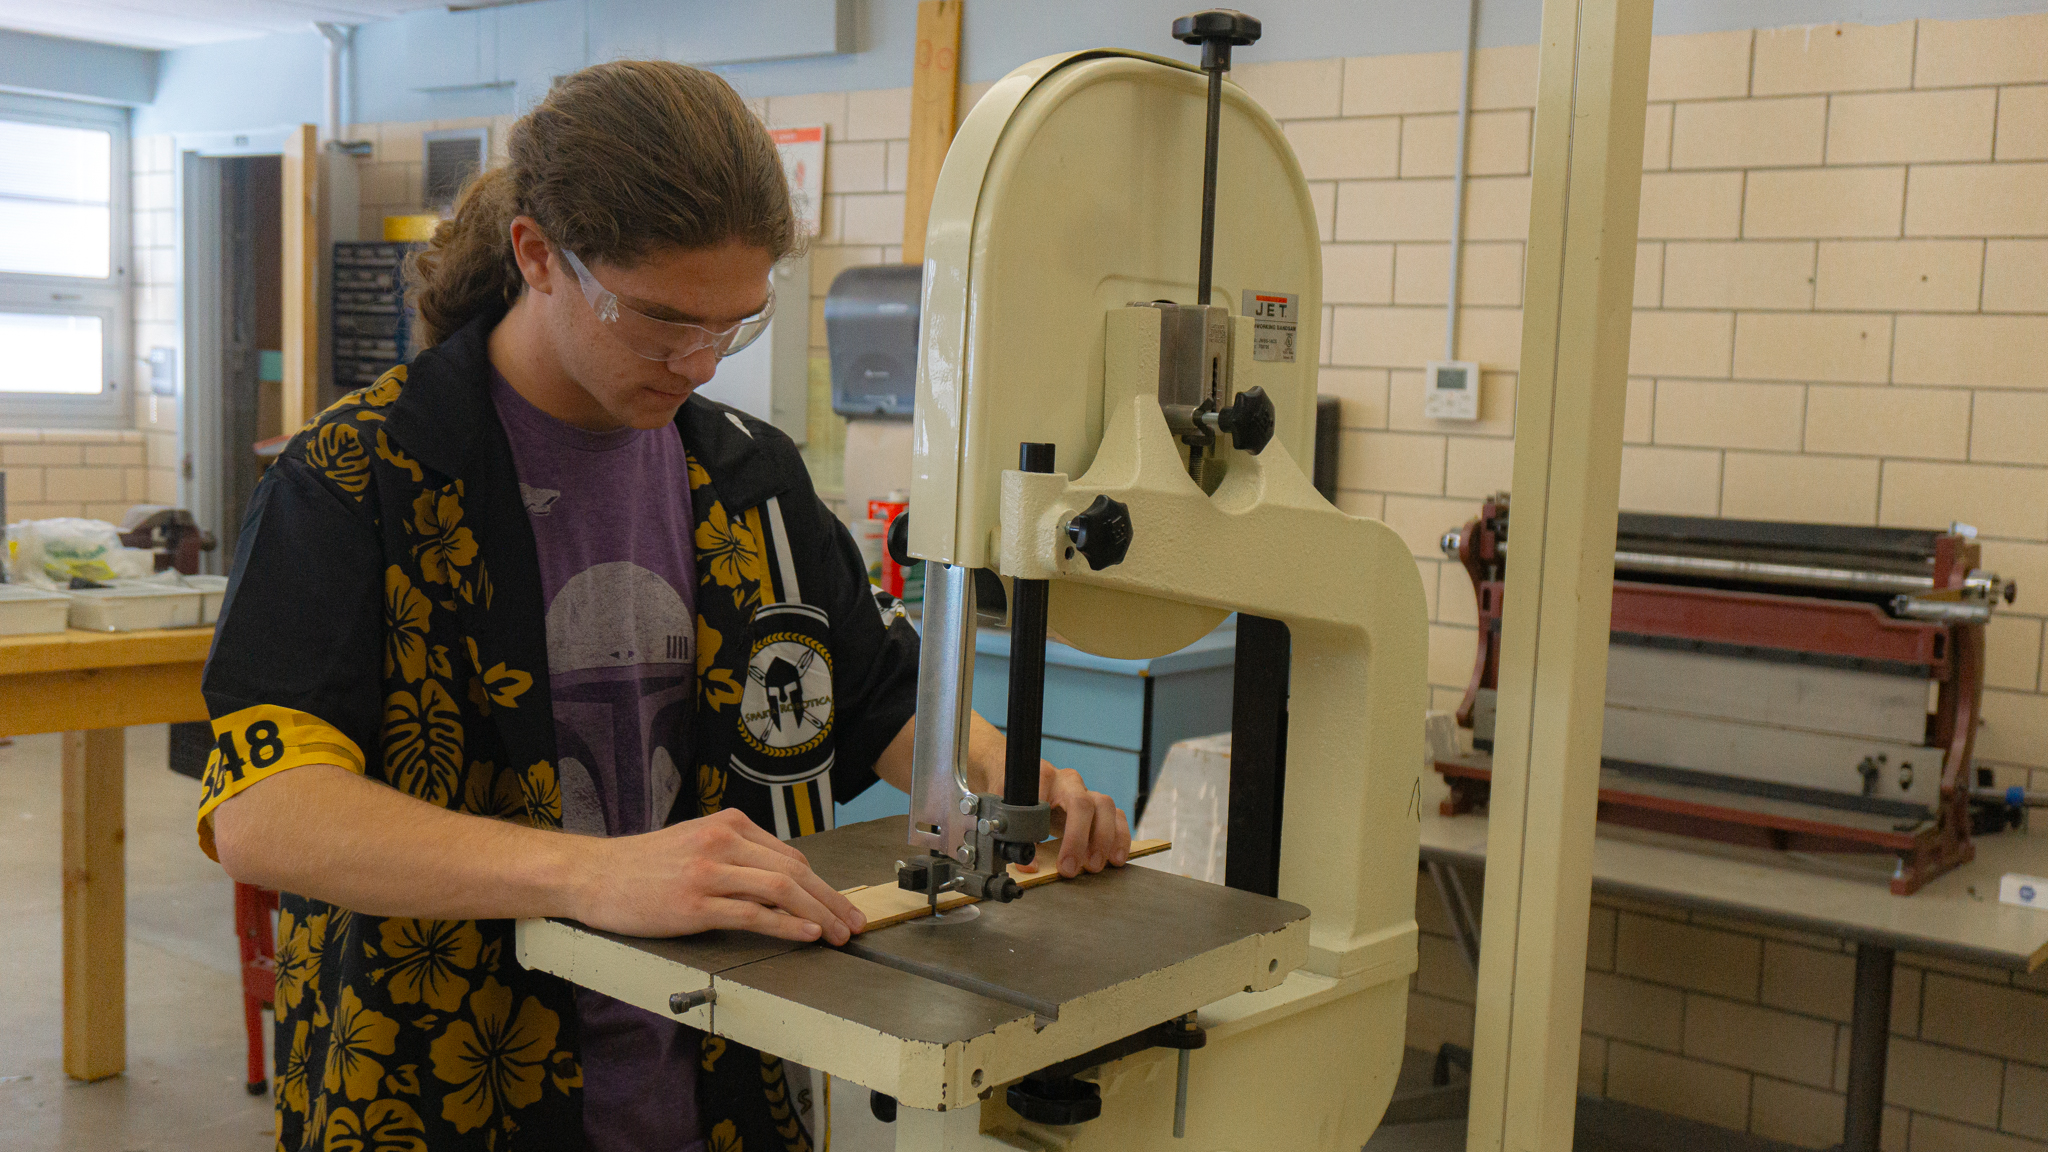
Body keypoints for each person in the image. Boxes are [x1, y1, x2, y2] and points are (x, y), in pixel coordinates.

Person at [198, 60, 1132, 1152]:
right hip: (445, 1083)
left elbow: (876, 700)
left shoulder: (750, 479)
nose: (695, 363)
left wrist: (1002, 782)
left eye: (731, 325)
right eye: (657, 321)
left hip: (730, 1088)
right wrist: (594, 874)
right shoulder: (359, 479)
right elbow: (266, 807)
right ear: (537, 255)